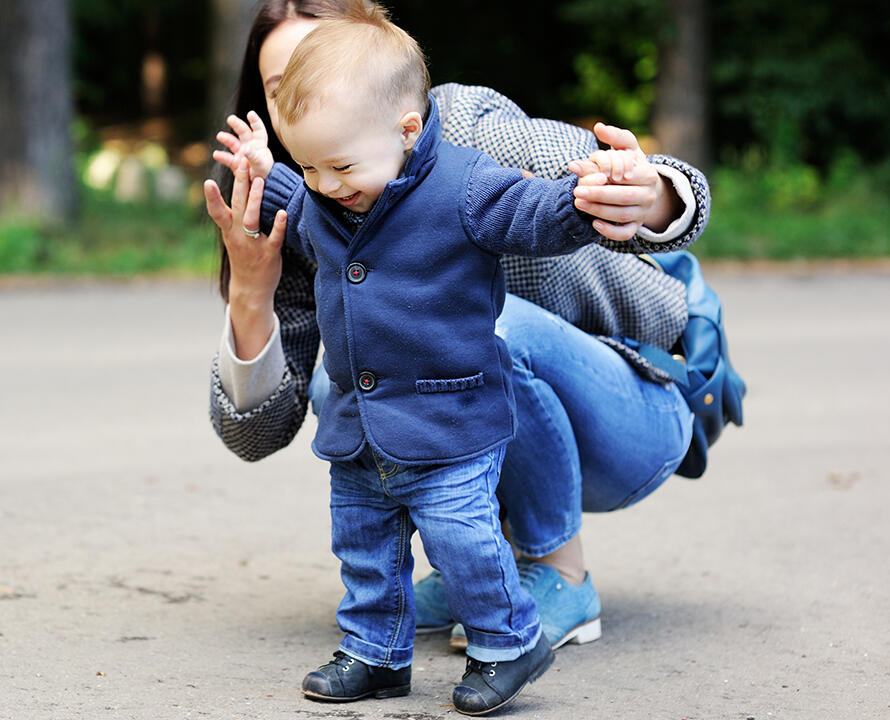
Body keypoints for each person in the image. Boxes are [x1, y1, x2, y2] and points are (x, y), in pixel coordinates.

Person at [205, 0, 706, 692]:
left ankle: (537, 597)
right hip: (377, 429)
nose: (310, 91)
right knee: (361, 536)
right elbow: (253, 433)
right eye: (283, 85)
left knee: (463, 516)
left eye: (323, 60)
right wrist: (249, 289)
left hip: (609, 407)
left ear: (398, 110)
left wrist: (635, 192)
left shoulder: (466, 147)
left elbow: (548, 197)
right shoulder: (320, 185)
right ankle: (376, 651)